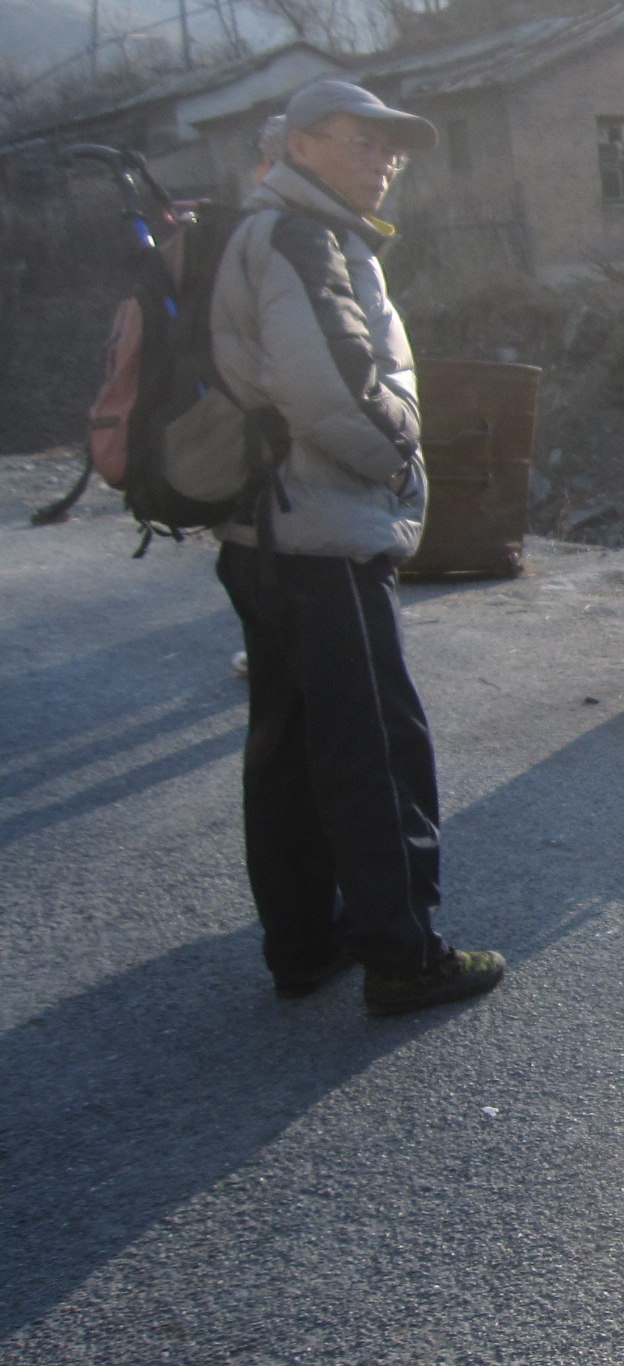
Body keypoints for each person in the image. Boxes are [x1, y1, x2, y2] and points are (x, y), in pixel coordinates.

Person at [210, 78, 507, 1018]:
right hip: (322, 531)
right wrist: (402, 457)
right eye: (361, 141)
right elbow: (332, 388)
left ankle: (304, 943)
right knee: (373, 747)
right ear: (299, 145)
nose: (383, 161)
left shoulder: (266, 230)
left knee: (290, 745)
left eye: (391, 149)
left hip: (266, 530)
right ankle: (404, 956)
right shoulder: (305, 238)